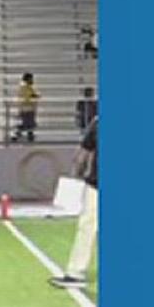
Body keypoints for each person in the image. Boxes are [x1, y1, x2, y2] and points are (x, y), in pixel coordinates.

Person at [51, 117, 99, 289]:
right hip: (96, 183)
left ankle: (76, 272)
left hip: (96, 184)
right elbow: (84, 151)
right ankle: (76, 272)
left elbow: (83, 153)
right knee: (87, 227)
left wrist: (75, 171)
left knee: (87, 228)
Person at [12, 72, 40, 143]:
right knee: (27, 124)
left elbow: (32, 95)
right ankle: (16, 135)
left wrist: (35, 96)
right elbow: (27, 96)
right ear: (28, 79)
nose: (32, 80)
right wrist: (34, 96)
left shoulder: (28, 87)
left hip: (29, 108)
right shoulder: (24, 87)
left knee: (29, 124)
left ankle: (27, 135)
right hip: (26, 109)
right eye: (31, 79)